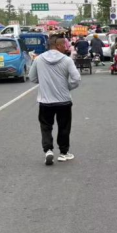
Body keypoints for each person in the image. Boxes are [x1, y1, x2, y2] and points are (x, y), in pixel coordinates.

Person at [29, 36, 82, 166]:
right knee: (64, 127)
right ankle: (64, 153)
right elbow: (76, 79)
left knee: (46, 127)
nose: (66, 47)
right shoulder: (67, 60)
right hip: (63, 100)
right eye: (64, 45)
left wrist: (44, 83)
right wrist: (66, 87)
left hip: (45, 101)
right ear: (57, 46)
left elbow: (32, 77)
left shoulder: (39, 59)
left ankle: (48, 150)